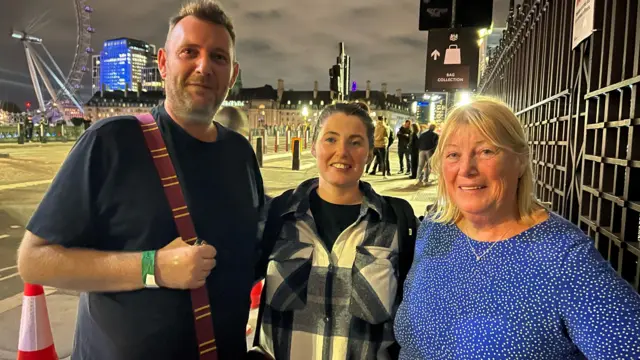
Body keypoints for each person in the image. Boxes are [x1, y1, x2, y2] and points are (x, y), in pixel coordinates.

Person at [17, 2, 265, 359]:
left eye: (218, 57)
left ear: (233, 72)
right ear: (163, 63)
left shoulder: (239, 153)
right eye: (189, 52)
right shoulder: (112, 142)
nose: (203, 66)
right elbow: (33, 260)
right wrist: (153, 267)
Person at [394, 98, 640, 359]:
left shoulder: (564, 257)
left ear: (521, 161)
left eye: (486, 151)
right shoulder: (435, 229)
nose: (466, 169)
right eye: (453, 154)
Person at [252, 103, 417, 359]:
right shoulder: (277, 216)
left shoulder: (397, 224)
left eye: (355, 142)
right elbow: (229, 283)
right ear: (313, 146)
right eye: (331, 139)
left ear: (370, 153)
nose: (342, 152)